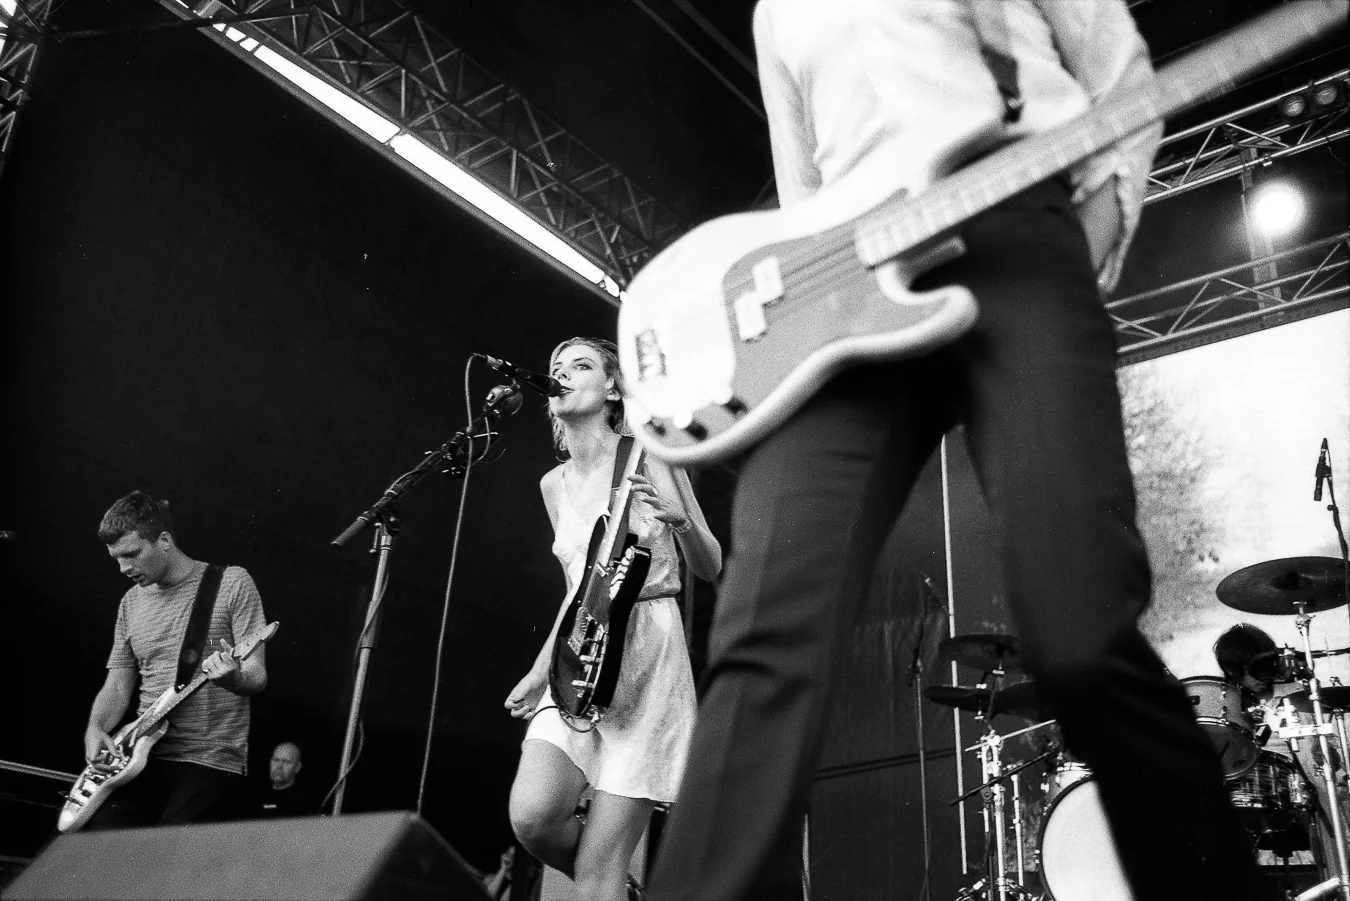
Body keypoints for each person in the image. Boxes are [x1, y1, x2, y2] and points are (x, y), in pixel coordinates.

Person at [644, 2, 1274, 899]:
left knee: (1078, 633)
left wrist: (1080, 242)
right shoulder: (774, 12)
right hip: (854, 289)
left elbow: (1123, 77)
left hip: (1015, 232)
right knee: (764, 625)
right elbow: (802, 197)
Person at [504, 337, 722, 901]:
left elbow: (710, 565)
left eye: (580, 365)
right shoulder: (553, 485)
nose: (562, 374)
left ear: (611, 389)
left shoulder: (650, 453)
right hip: (580, 653)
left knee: (598, 872)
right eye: (557, 367)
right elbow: (576, 590)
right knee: (532, 816)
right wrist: (539, 670)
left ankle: (606, 886)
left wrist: (682, 524)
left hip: (647, 652)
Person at [83, 490, 268, 827]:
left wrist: (234, 678)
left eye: (132, 554)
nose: (124, 568)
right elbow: (118, 685)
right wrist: (95, 729)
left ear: (164, 541)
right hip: (140, 754)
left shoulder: (231, 583)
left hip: (209, 757)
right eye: (116, 558)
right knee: (101, 841)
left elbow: (256, 675)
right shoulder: (130, 603)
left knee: (169, 846)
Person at [249, 740, 318, 818]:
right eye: (276, 760)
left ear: (297, 767)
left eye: (286, 762)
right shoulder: (253, 795)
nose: (279, 766)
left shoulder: (304, 803)